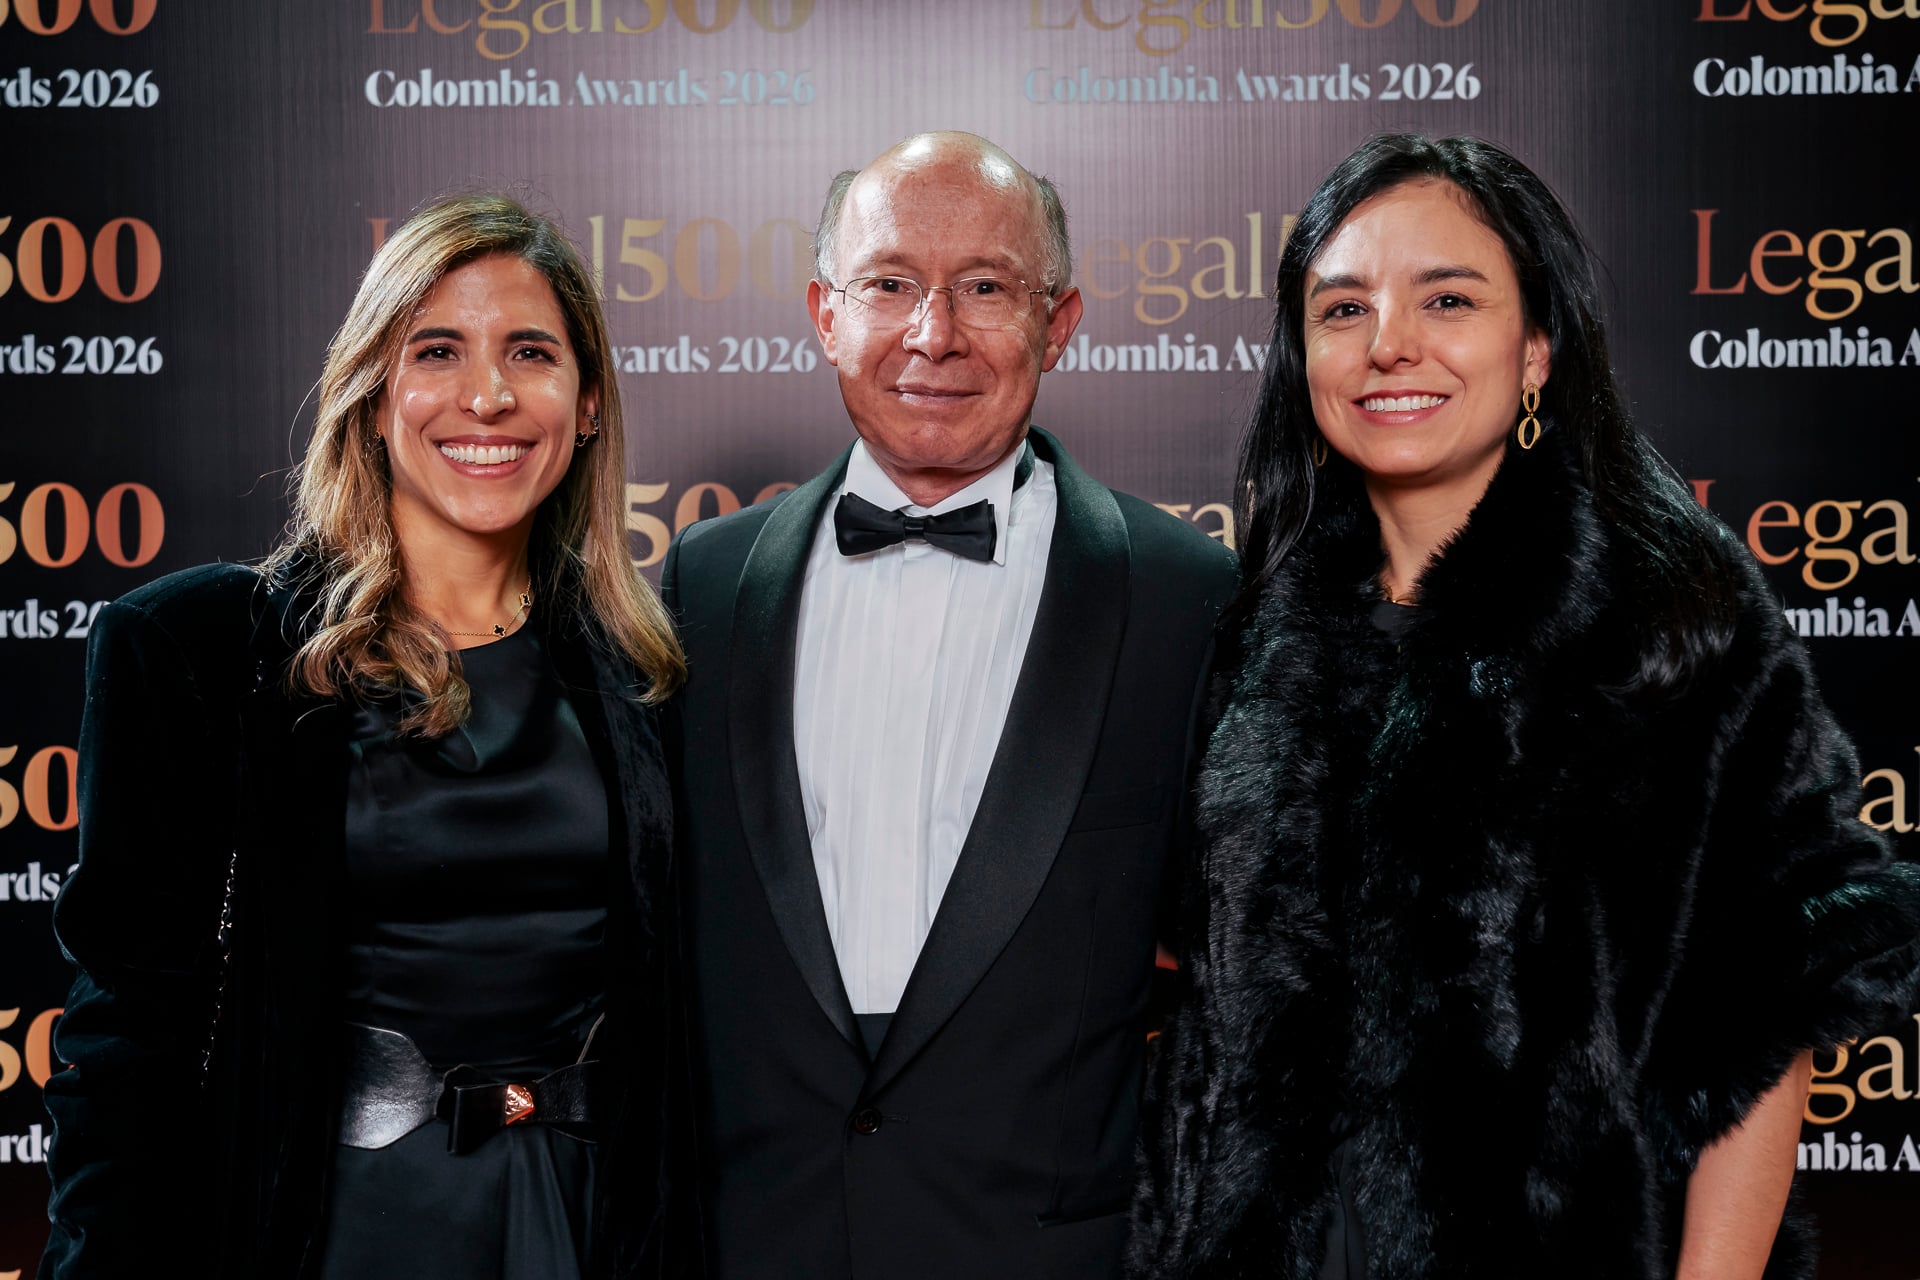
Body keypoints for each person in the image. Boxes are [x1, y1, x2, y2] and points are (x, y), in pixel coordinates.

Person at [1129, 132, 1920, 1280]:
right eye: (1342, 309)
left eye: (1447, 298)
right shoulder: (1251, 631)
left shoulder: (1671, 628)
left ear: (1538, 346)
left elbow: (1767, 1015)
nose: (1389, 342)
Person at [39, 194, 702, 1279]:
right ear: (372, 394)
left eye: (530, 352)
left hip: (594, 1229)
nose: (487, 394)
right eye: (436, 350)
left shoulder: (653, 667)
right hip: (336, 1232)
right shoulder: (199, 649)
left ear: (586, 404)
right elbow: (127, 1033)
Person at [662, 131, 1238, 1279]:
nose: (934, 334)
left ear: (1059, 324)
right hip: (757, 1247)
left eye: (985, 287)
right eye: (889, 285)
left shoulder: (1188, 596)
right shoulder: (699, 587)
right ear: (825, 315)